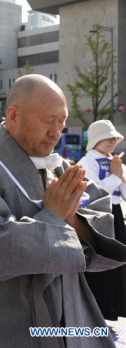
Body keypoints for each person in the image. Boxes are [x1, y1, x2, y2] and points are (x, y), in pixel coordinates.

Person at [0, 74, 126, 347]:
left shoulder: (62, 169)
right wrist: (54, 217)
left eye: (62, 121)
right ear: (13, 116)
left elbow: (109, 234)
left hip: (73, 320)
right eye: (49, 119)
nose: (57, 131)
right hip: (11, 323)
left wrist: (72, 220)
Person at [78, 120, 126, 322]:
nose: (113, 141)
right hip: (95, 217)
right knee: (99, 267)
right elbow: (92, 194)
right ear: (96, 138)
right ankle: (95, 316)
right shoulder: (86, 162)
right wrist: (116, 176)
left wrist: (121, 178)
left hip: (116, 215)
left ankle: (112, 313)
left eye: (115, 138)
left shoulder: (117, 162)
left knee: (118, 265)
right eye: (108, 137)